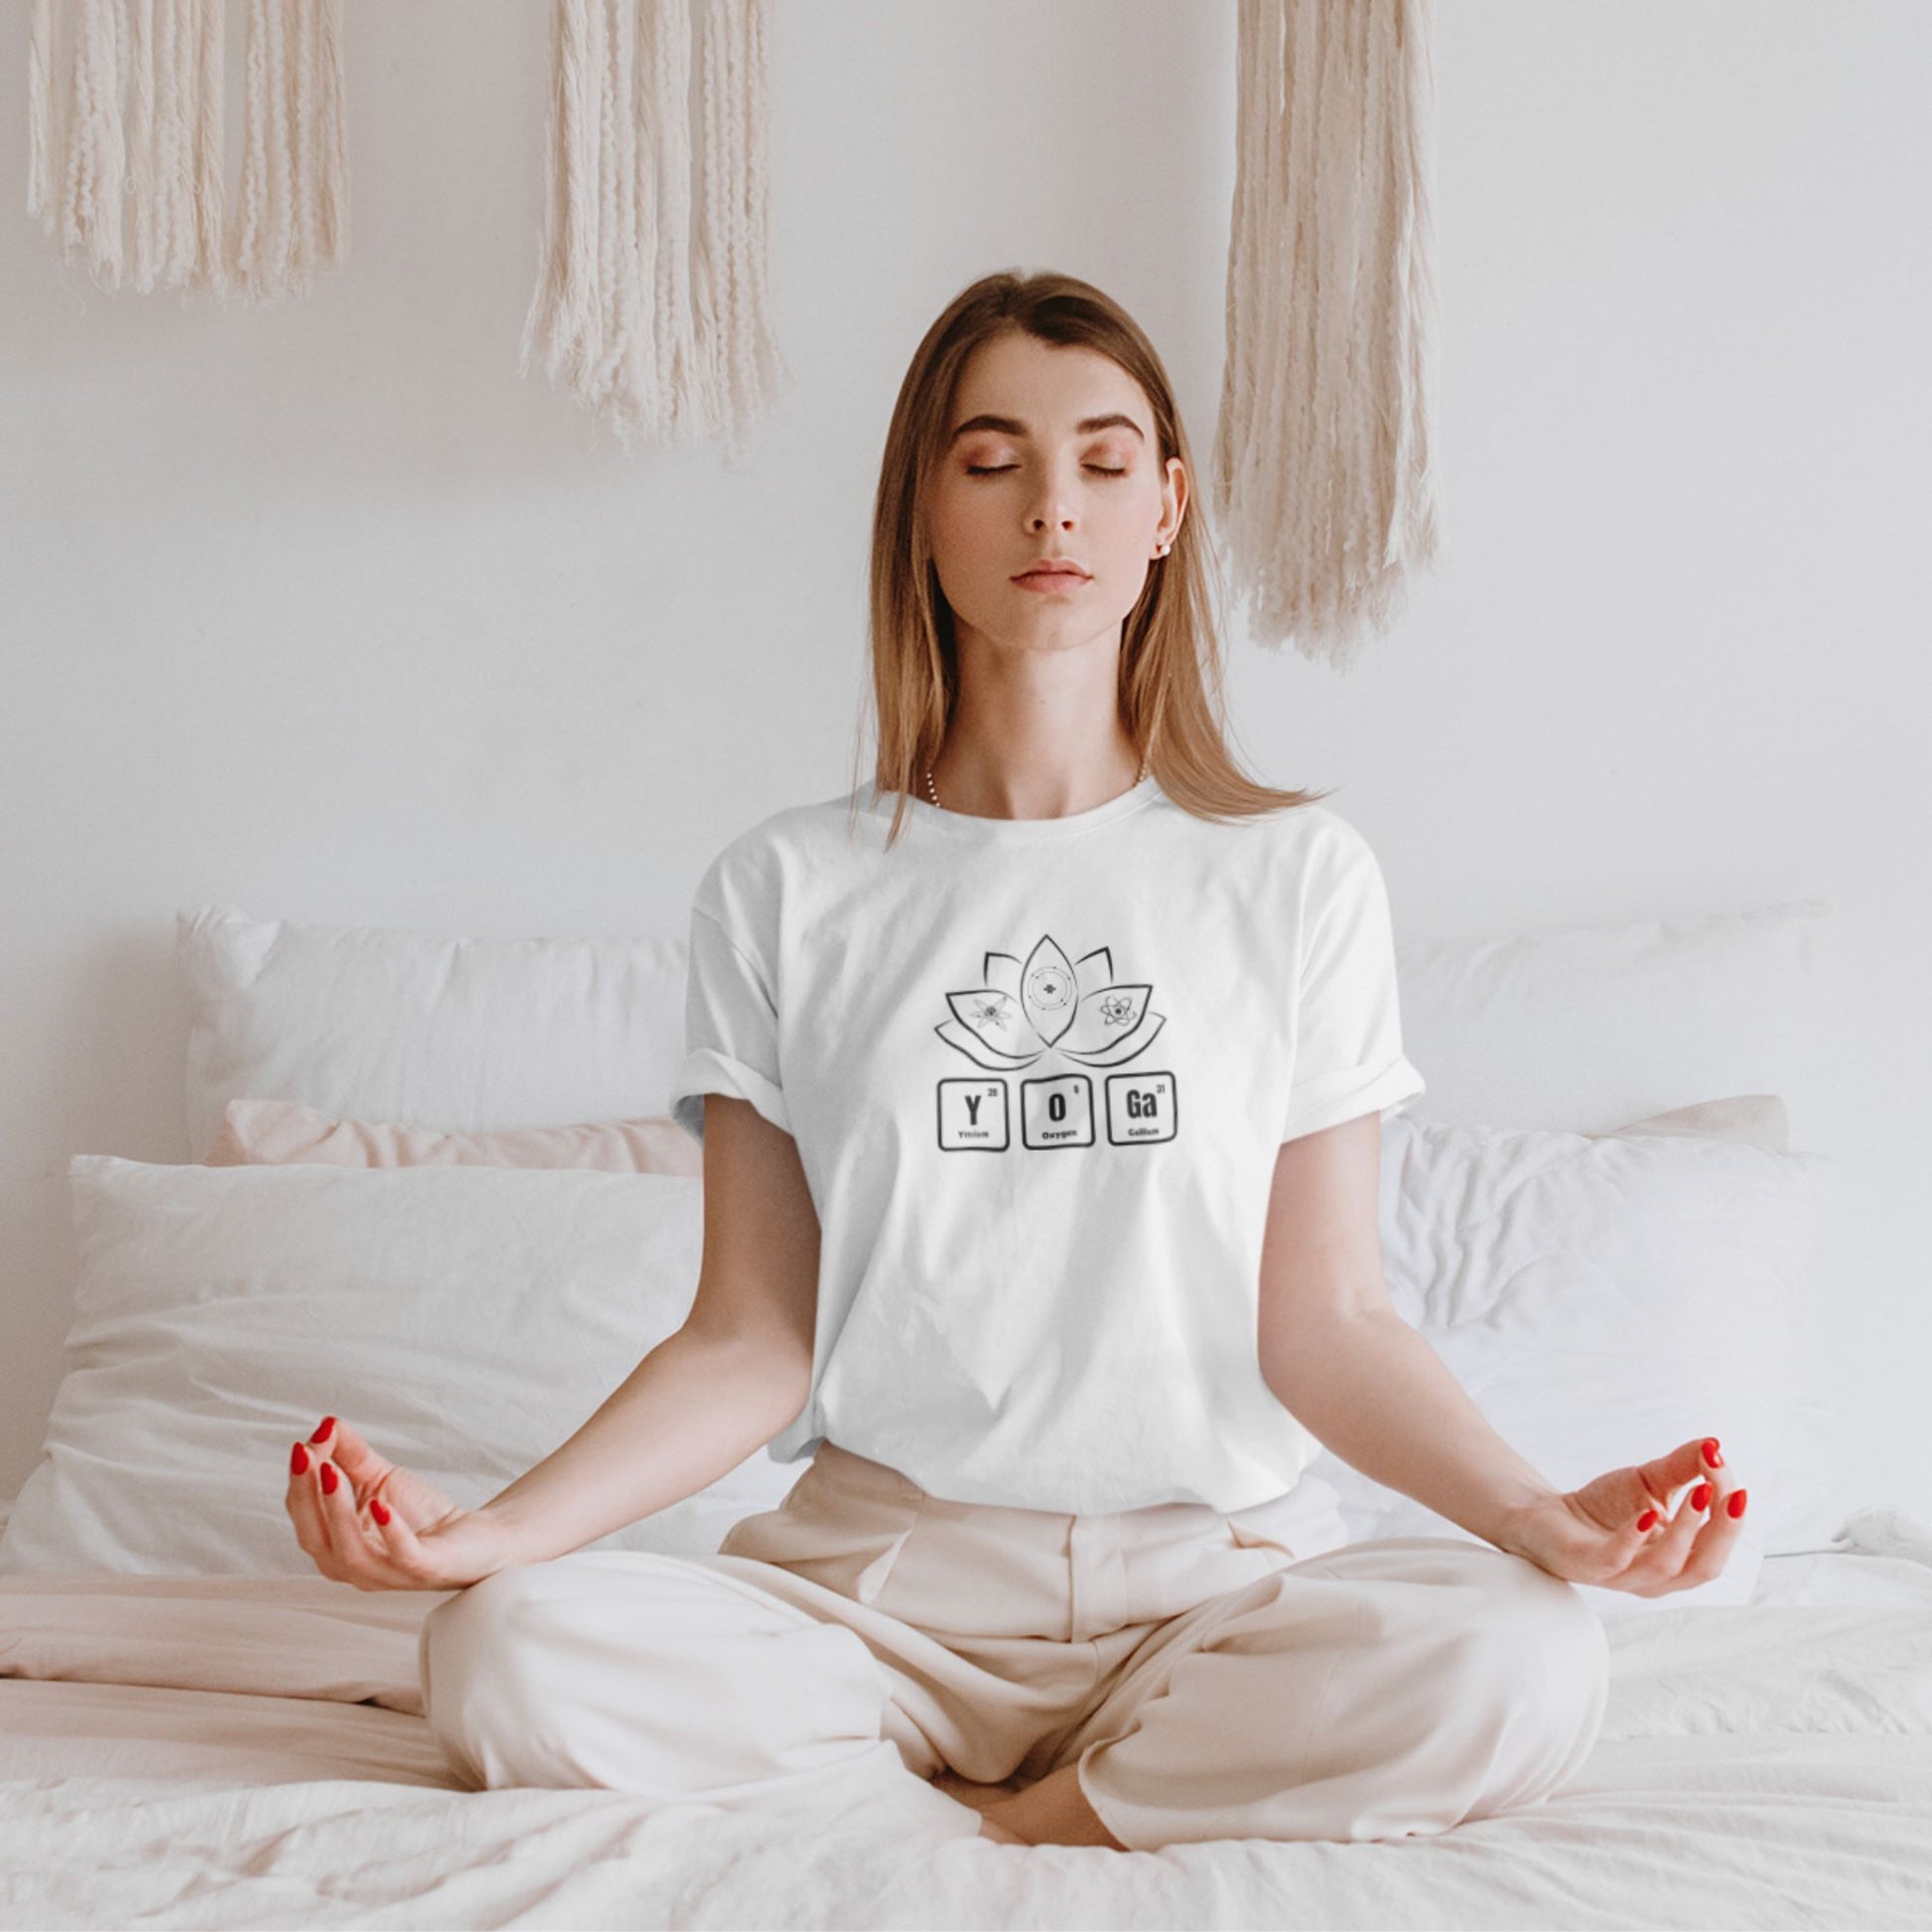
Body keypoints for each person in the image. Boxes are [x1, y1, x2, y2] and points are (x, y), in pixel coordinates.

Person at [282, 270, 1747, 1853]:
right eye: (991, 461)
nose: (1054, 504)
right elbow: (748, 1336)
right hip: (876, 1596)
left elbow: (1326, 1318)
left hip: (1214, 1589)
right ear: (919, 506)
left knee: (1524, 1656)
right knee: (503, 1651)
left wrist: (1538, 1517)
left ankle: (1033, 1816)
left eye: (1104, 462)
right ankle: (974, 1780)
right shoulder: (787, 888)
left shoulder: (1294, 875)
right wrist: (490, 1533)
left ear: (1167, 509)